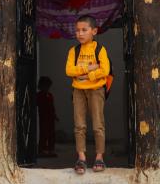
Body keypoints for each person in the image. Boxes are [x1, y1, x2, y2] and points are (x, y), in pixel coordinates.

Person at [66, 15, 110, 175]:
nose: (80, 34)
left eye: (84, 30)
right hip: (78, 90)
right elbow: (69, 71)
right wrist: (89, 69)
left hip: (96, 90)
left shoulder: (99, 49)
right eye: (77, 30)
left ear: (94, 31)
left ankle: (99, 156)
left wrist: (88, 76)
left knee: (98, 124)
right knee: (79, 125)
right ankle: (81, 157)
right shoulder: (74, 51)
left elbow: (104, 70)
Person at [37, 76, 59, 157]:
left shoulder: (50, 95)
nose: (47, 88)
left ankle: (51, 150)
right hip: (43, 118)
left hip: (51, 118)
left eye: (48, 86)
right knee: (43, 134)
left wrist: (55, 116)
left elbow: (52, 107)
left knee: (51, 134)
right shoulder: (39, 95)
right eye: (45, 86)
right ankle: (41, 150)